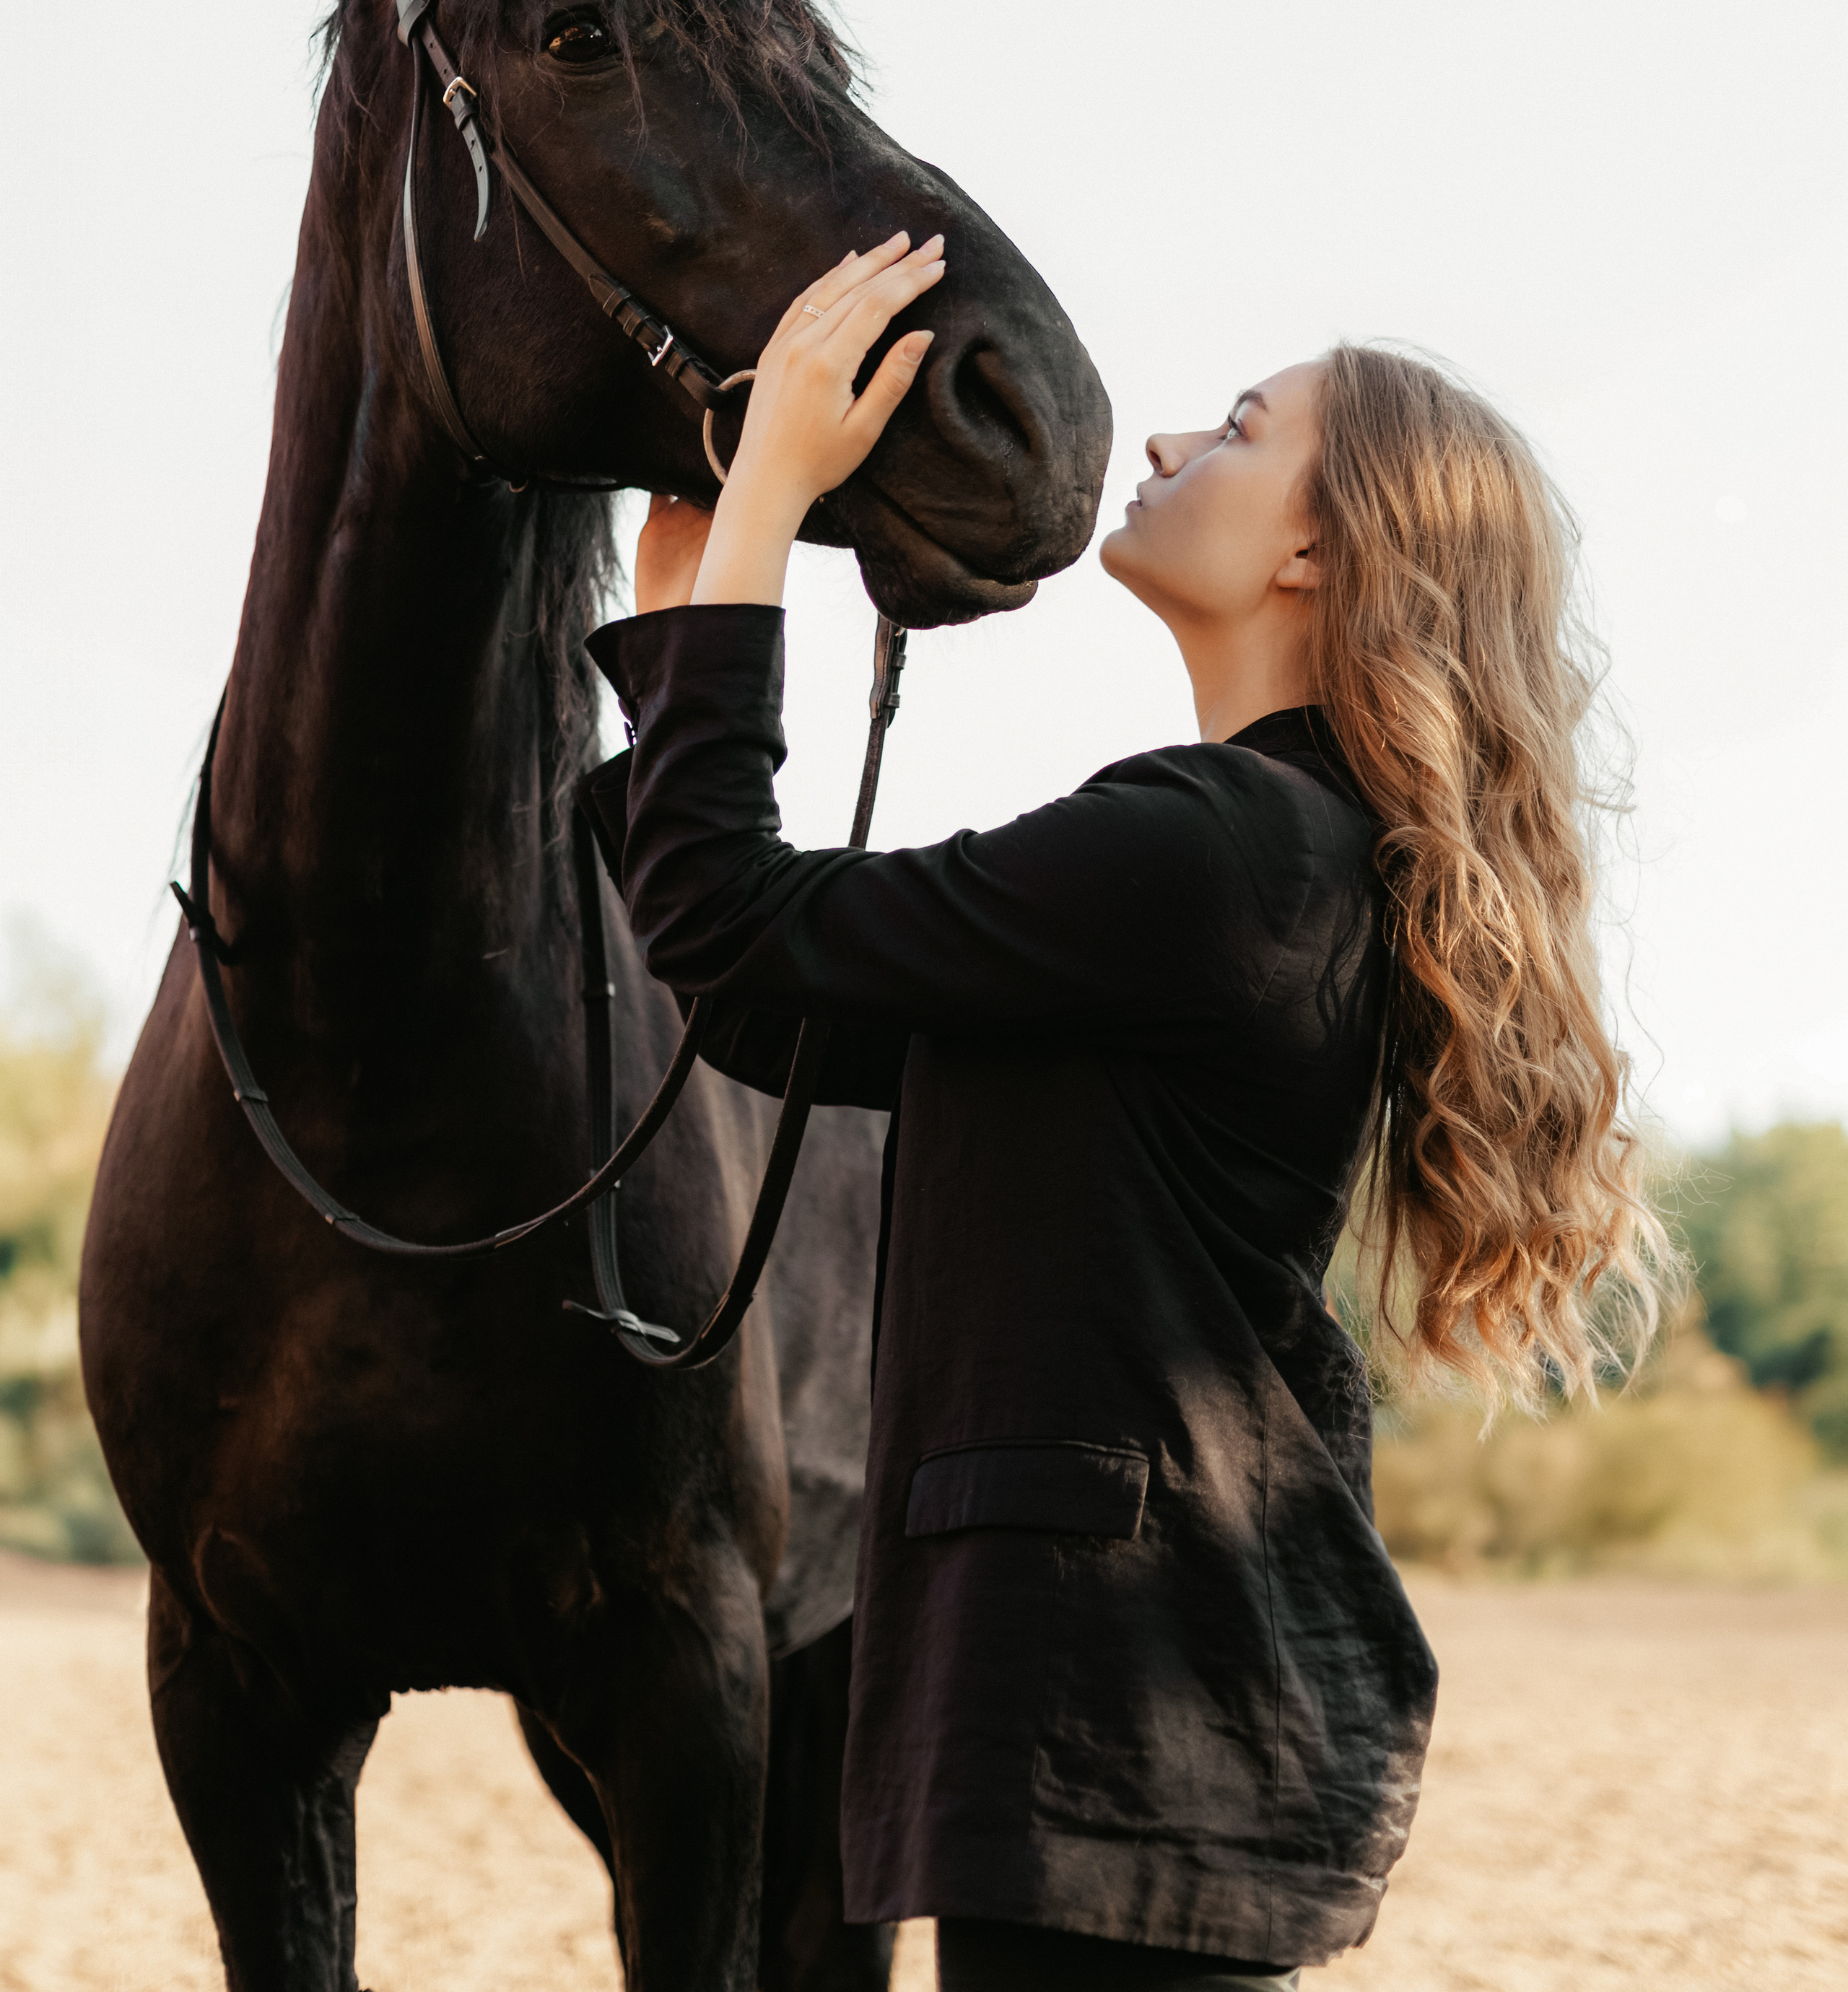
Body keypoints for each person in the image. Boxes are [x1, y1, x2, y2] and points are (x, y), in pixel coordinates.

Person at [584, 235, 1664, 1990]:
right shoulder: (1252, 854)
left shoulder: (1213, 847)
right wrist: (683, 613)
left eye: (1236, 431)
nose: (1160, 447)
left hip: (1112, 1719)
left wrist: (770, 502)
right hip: (1122, 1735)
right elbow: (763, 1003)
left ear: (1315, 547)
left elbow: (730, 925)